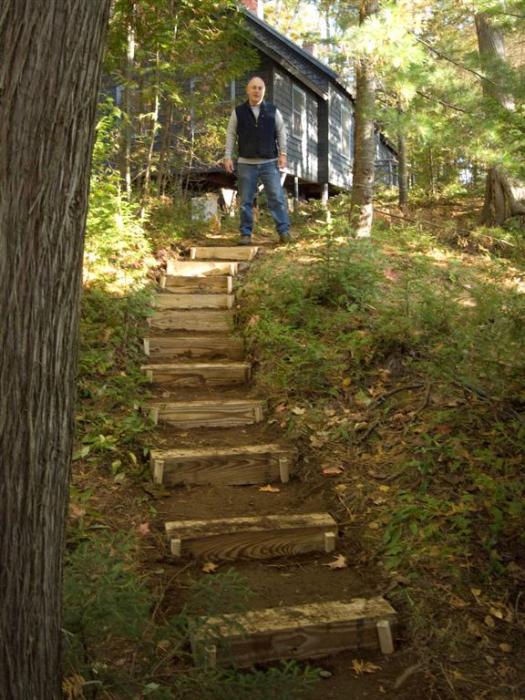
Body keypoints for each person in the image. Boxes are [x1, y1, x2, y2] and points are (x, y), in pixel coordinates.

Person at [224, 76, 291, 245]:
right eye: (253, 87)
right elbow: (231, 134)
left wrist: (283, 154)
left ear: (264, 91)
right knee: (246, 200)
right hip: (246, 163)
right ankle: (245, 234)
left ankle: (284, 232)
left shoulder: (273, 111)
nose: (256, 90)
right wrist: (227, 156)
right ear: (248, 90)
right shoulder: (238, 112)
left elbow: (281, 132)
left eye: (260, 88)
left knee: (276, 197)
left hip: (270, 162)